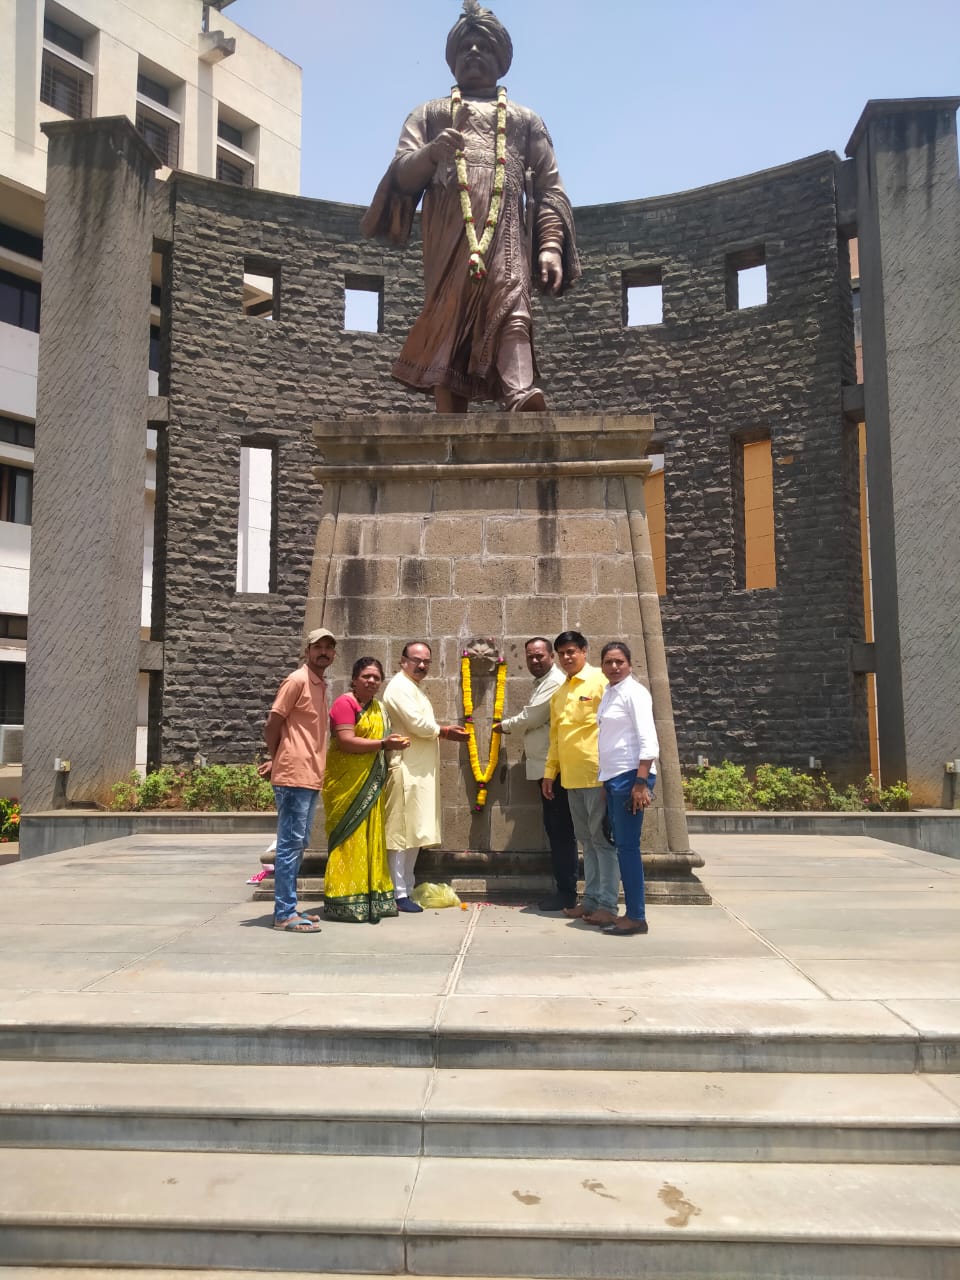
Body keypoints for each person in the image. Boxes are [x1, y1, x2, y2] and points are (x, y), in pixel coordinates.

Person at [361, 0, 579, 413]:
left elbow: (550, 189)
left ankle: (519, 394)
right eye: (465, 47)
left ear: (501, 58)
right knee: (450, 318)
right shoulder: (430, 114)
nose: (474, 53)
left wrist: (550, 245)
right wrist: (430, 153)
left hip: (506, 234)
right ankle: (450, 423)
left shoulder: (524, 121)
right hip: (449, 236)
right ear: (451, 59)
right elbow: (400, 176)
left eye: (483, 47)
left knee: (512, 303)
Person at [382, 641, 470, 912]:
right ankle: (396, 893)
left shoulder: (414, 687)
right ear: (402, 661)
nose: (421, 665)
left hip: (419, 770)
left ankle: (407, 888)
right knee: (400, 833)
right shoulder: (398, 686)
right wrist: (445, 731)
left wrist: (442, 731)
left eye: (426, 661)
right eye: (416, 660)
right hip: (405, 769)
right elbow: (416, 724)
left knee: (415, 832)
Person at [323, 658, 411, 924]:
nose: (372, 681)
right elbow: (346, 741)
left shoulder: (379, 708)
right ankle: (344, 899)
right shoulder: (345, 703)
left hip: (371, 784)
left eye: (376, 677)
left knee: (370, 838)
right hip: (347, 785)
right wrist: (384, 744)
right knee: (349, 839)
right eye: (366, 676)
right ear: (354, 679)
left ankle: (371, 898)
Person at [493, 637, 578, 911]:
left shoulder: (554, 682)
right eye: (530, 656)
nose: (535, 660)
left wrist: (504, 726)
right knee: (556, 828)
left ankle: (567, 892)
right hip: (547, 767)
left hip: (554, 769)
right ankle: (565, 889)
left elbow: (532, 717)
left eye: (540, 655)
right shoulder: (543, 682)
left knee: (560, 830)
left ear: (551, 656)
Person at [260, 627, 336, 933]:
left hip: (309, 775)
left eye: (329, 648)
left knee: (298, 844)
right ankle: (284, 914)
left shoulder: (319, 684)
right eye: (318, 647)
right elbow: (272, 723)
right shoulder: (297, 680)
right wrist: (278, 757)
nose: (324, 652)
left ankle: (289, 907)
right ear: (307, 651)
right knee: (290, 845)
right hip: (294, 775)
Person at [541, 631, 613, 924]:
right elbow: (556, 737)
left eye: (571, 651)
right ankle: (591, 901)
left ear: (584, 651)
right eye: (562, 654)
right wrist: (550, 773)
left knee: (602, 842)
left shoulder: (600, 681)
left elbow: (612, 727)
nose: (567, 657)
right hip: (571, 778)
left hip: (597, 775)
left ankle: (607, 904)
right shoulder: (560, 693)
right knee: (586, 842)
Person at [597, 642, 659, 937]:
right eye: (608, 662)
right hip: (614, 778)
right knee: (622, 846)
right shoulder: (609, 693)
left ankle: (636, 916)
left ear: (630, 664)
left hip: (631, 777)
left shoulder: (635, 692)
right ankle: (632, 913)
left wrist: (641, 782)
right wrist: (605, 782)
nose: (614, 667)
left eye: (619, 661)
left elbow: (648, 739)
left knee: (628, 848)